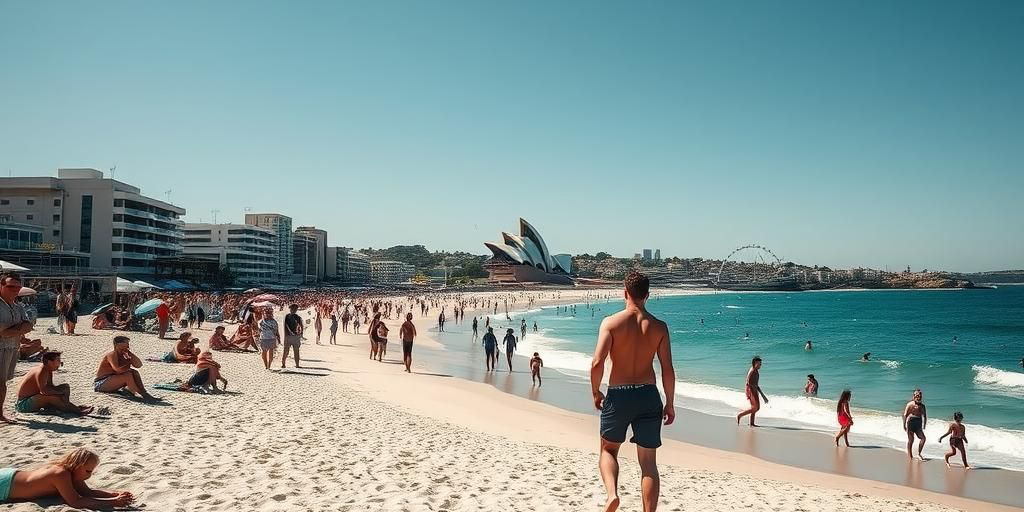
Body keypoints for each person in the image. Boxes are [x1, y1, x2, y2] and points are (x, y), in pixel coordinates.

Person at [590, 271, 674, 512]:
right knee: (648, 464)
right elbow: (668, 370)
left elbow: (597, 362)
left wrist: (596, 392)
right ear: (647, 295)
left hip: (619, 394)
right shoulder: (659, 327)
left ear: (624, 292)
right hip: (648, 396)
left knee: (608, 449)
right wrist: (670, 403)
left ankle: (612, 495)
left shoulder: (611, 323)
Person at [0, 447, 135, 508]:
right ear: (77, 466)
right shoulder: (61, 474)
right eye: (88, 471)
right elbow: (76, 502)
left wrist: (117, 494)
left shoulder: (71, 473)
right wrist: (114, 502)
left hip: (11, 476)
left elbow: (88, 492)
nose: (89, 475)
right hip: (4, 485)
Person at [15, 351, 93, 416]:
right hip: (23, 404)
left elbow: (50, 387)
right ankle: (77, 410)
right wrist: (61, 393)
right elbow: (44, 391)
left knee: (65, 387)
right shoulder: (42, 371)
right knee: (52, 397)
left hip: (30, 399)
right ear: (49, 362)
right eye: (58, 361)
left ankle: (69, 407)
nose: (60, 363)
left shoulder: (47, 370)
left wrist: (62, 392)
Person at [1, 273, 33, 424]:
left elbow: (29, 325)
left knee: (3, 382)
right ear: (1, 286)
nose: (15, 289)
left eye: (17, 287)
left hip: (12, 348)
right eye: (10, 286)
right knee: (1, 384)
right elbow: (2, 330)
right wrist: (19, 329)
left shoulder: (17, 306)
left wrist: (14, 330)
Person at [94, 336, 159, 401]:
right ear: (117, 344)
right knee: (127, 375)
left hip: (112, 379)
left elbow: (139, 365)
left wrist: (130, 354)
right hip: (101, 383)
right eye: (125, 343)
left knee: (134, 372)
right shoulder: (112, 354)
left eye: (128, 344)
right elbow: (117, 369)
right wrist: (128, 363)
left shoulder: (124, 353)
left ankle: (144, 392)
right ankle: (135, 393)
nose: (127, 345)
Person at [737, 356, 768, 427]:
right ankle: (740, 415)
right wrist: (761, 395)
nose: (761, 366)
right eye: (759, 364)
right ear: (755, 363)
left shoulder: (755, 370)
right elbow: (748, 382)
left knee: (756, 407)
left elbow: (755, 384)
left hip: (753, 390)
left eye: (761, 364)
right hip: (751, 391)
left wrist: (761, 394)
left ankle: (752, 423)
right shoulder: (753, 371)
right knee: (755, 407)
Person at [902, 389, 928, 461]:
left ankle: (919, 453)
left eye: (919, 396)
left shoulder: (922, 406)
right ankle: (910, 456)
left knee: (923, 438)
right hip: (911, 422)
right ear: (913, 396)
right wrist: (904, 425)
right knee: (911, 440)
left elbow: (925, 416)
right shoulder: (910, 404)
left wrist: (924, 425)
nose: (918, 397)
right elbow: (905, 415)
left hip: (918, 423)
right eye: (916, 395)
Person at [282, 304, 302, 369]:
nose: (293, 310)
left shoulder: (298, 317)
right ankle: (283, 363)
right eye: (292, 309)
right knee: (286, 351)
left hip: (294, 336)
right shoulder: (287, 316)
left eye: (294, 309)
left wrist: (300, 334)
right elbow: (286, 326)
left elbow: (301, 326)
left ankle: (297, 364)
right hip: (288, 336)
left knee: (296, 351)